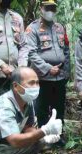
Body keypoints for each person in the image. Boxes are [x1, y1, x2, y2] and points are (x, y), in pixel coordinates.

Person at [26, 0, 70, 144]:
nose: (50, 11)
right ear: (41, 9)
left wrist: (66, 71)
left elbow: (66, 50)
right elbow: (31, 53)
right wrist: (47, 68)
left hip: (59, 77)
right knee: (43, 110)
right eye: (47, 8)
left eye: (53, 8)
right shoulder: (32, 28)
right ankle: (44, 139)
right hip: (42, 77)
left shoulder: (59, 28)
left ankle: (58, 137)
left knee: (59, 108)